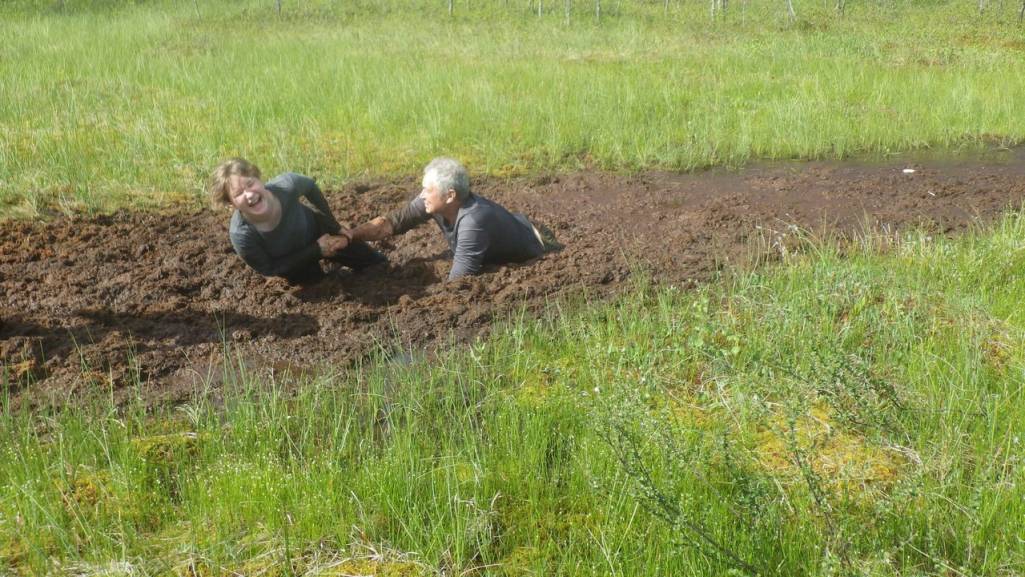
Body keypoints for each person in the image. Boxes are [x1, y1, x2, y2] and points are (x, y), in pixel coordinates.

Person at [344, 157, 558, 281]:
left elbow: (459, 280)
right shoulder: (432, 202)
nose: (422, 195)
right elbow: (389, 224)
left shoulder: (473, 222)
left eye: (428, 190)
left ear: (450, 196)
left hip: (537, 243)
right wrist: (349, 235)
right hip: (514, 224)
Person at [209, 158, 386, 284]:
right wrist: (315, 250)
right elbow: (270, 269)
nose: (249, 194)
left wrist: (333, 226)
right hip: (293, 262)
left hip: (320, 233)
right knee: (318, 287)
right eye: (238, 194)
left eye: (250, 184)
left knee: (376, 263)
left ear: (259, 179)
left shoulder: (286, 186)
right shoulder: (241, 234)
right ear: (231, 204)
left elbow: (310, 186)